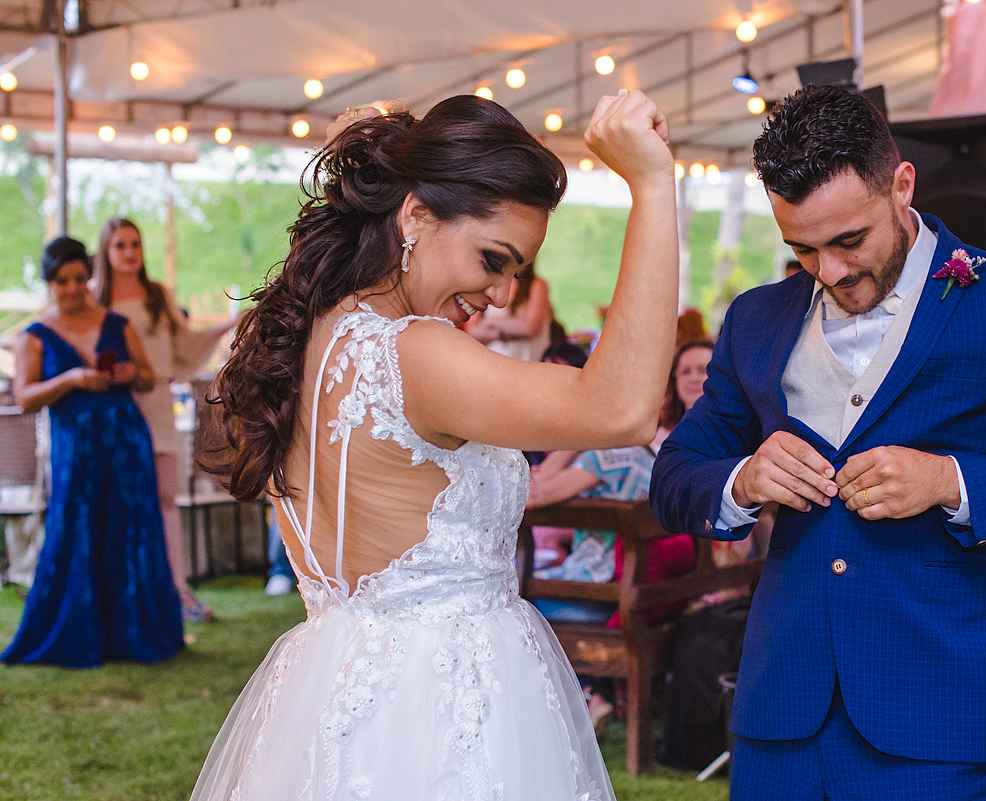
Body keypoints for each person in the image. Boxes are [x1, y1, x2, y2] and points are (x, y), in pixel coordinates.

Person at [650, 85, 986, 801]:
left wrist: (950, 481)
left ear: (902, 185)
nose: (831, 271)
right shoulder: (754, 318)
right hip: (779, 716)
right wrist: (744, 478)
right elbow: (674, 479)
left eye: (850, 241)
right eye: (803, 249)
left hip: (935, 714)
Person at [189, 90, 676, 800]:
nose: (504, 295)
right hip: (448, 705)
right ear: (414, 214)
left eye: (518, 272)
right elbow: (623, 408)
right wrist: (653, 186)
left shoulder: (305, 337)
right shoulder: (415, 355)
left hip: (327, 692)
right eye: (493, 259)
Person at [2, 237, 184, 668]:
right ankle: (76, 633)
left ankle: (135, 632)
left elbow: (147, 377)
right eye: (63, 280)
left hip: (125, 442)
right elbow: (25, 397)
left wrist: (127, 372)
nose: (72, 288)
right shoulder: (34, 335)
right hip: (75, 449)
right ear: (50, 283)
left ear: (89, 278)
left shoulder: (116, 323)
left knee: (131, 530)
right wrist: (73, 380)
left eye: (79, 279)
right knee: (76, 530)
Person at [93, 217, 239, 623]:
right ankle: (122, 596)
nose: (129, 252)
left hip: (156, 401)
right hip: (114, 408)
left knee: (166, 500)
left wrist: (228, 325)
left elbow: (186, 344)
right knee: (120, 503)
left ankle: (177, 589)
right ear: (106, 251)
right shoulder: (94, 300)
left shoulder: (157, 294)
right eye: (120, 244)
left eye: (135, 244)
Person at [465, 260, 555, 360]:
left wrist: (489, 323)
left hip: (527, 359)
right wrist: (501, 333)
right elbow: (472, 330)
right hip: (494, 359)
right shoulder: (487, 284)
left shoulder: (536, 285)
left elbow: (530, 327)